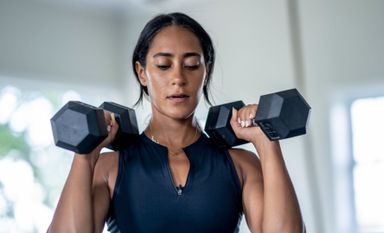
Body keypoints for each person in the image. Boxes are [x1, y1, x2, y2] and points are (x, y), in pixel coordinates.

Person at [48, 12, 305, 233]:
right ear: (142, 73)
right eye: (163, 65)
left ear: (206, 72)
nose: (178, 78)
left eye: (192, 65)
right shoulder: (108, 168)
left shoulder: (240, 165)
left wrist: (267, 142)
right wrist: (86, 155)